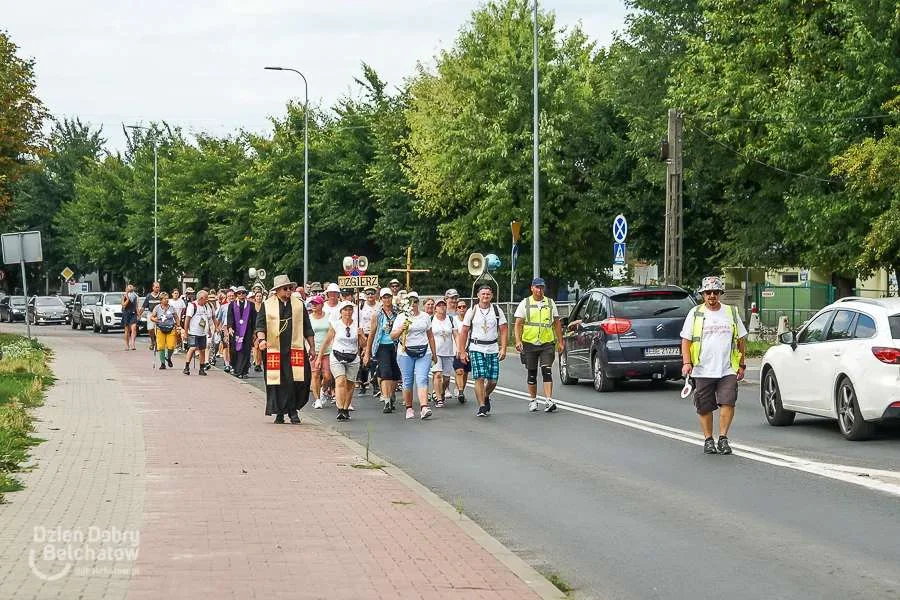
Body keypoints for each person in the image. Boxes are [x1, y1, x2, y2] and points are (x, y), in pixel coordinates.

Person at [680, 276, 747, 455]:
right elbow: (686, 341)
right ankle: (708, 439)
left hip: (727, 368)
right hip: (702, 368)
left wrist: (741, 364)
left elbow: (741, 340)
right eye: (708, 292)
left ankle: (723, 438)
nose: (712, 296)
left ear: (720, 294)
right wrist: (687, 362)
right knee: (704, 405)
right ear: (703, 294)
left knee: (728, 401)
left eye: (715, 292)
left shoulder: (731, 312)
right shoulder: (695, 313)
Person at [255, 275, 316, 424]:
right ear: (277, 290)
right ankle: (280, 412)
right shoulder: (267, 305)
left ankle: (293, 408)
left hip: (295, 348)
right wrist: (262, 339)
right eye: (285, 288)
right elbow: (260, 325)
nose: (289, 291)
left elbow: (307, 327)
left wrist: (312, 347)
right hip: (274, 350)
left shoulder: (298, 305)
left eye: (290, 288)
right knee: (277, 382)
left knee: (299, 379)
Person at [514, 277, 563, 413]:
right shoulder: (525, 303)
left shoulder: (550, 303)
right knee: (532, 372)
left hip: (547, 342)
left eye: (542, 287)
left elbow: (557, 323)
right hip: (529, 342)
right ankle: (533, 400)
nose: (540, 290)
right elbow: (518, 324)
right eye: (537, 287)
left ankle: (548, 400)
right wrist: (518, 341)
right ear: (532, 288)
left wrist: (560, 341)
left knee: (546, 370)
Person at [458, 285, 508, 417]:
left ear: (491, 296)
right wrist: (462, 351)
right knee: (479, 377)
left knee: (493, 380)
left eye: (488, 294)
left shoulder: (497, 311)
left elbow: (503, 329)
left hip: (492, 347)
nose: (485, 296)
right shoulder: (472, 311)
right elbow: (464, 332)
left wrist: (503, 348)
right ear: (478, 296)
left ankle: (485, 395)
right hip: (476, 347)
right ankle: (481, 406)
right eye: (483, 294)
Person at [390, 292, 437, 420]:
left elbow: (430, 336)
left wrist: (434, 353)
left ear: (418, 302)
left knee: (422, 378)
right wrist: (401, 329)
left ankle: (424, 407)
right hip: (405, 352)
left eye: (415, 301)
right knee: (408, 380)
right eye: (410, 301)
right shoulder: (401, 317)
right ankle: (409, 407)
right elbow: (392, 336)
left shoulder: (425, 317)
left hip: (423, 351)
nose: (413, 304)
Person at [318, 301, 362, 421]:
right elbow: (327, 341)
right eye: (345, 310)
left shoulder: (357, 325)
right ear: (341, 312)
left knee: (350, 384)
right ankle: (340, 408)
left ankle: (346, 408)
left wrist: (361, 335)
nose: (348, 312)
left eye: (350, 310)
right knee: (340, 380)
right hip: (337, 355)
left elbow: (362, 344)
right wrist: (319, 357)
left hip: (352, 356)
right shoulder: (336, 324)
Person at [363, 288, 401, 414]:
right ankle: (386, 400)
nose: (387, 299)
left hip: (396, 345)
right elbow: (372, 334)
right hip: (382, 345)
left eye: (389, 297)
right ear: (381, 299)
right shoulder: (377, 314)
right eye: (384, 297)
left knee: (395, 373)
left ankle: (391, 395)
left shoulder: (398, 312)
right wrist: (367, 352)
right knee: (386, 372)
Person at [430, 298, 457, 407]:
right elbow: (427, 335)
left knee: (446, 378)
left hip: (448, 352)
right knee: (437, 374)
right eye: (439, 305)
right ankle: (439, 398)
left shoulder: (450, 319)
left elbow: (456, 334)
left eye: (443, 305)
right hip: (436, 352)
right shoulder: (431, 319)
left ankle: (440, 392)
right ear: (435, 308)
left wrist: (459, 348)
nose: (442, 307)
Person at [308, 295, 334, 409]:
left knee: (328, 376)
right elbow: (306, 334)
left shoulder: (328, 317)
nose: (313, 305)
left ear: (322, 305)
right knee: (315, 374)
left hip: (327, 350)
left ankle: (324, 391)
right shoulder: (309, 318)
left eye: (316, 303)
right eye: (312, 303)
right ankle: (317, 399)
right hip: (314, 350)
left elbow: (332, 332)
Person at [182, 290, 214, 375]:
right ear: (201, 298)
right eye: (206, 298)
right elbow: (187, 319)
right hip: (193, 332)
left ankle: (201, 368)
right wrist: (186, 332)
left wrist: (209, 330)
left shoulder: (206, 306)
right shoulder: (192, 305)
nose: (207, 300)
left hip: (203, 332)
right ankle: (186, 366)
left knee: (202, 350)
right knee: (192, 348)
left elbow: (207, 319)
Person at [227, 286, 256, 378]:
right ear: (236, 295)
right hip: (235, 331)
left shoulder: (251, 305)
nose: (241, 295)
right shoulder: (232, 304)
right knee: (235, 350)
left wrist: (255, 331)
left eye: (243, 293)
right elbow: (230, 316)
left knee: (245, 350)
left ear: (246, 294)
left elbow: (254, 318)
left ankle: (243, 371)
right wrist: (230, 327)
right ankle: (236, 369)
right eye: (239, 293)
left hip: (247, 331)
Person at [357, 286, 379, 395]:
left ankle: (375, 384)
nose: (370, 296)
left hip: (376, 334)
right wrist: (361, 335)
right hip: (364, 333)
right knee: (363, 359)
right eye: (368, 294)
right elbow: (358, 320)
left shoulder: (379, 306)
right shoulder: (361, 306)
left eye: (372, 293)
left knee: (375, 359)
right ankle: (363, 383)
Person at [150, 292, 177, 370]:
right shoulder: (157, 307)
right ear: (161, 300)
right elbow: (152, 316)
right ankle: (162, 363)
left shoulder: (171, 307)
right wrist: (154, 319)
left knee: (171, 346)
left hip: (170, 328)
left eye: (167, 298)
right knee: (161, 346)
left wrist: (178, 325)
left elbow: (176, 316)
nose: (167, 300)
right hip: (160, 328)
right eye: (165, 299)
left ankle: (167, 357)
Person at [452, 299, 470, 403]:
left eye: (464, 307)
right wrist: (459, 348)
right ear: (456, 309)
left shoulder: (469, 320)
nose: (462, 309)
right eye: (459, 307)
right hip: (456, 350)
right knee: (459, 371)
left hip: (468, 349)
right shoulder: (453, 320)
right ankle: (460, 392)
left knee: (466, 372)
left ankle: (461, 388)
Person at [141, 281, 162, 352]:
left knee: (160, 330)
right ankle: (153, 342)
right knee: (150, 329)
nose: (157, 288)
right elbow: (143, 306)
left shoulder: (161, 296)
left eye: (158, 287)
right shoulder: (149, 296)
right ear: (153, 288)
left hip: (160, 314)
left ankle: (158, 344)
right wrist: (139, 315)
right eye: (156, 287)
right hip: (151, 313)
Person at [121, 284, 139, 350]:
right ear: (126, 290)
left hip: (133, 313)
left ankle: (133, 343)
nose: (130, 291)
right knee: (127, 330)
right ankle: (126, 344)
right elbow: (124, 305)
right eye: (129, 290)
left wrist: (139, 314)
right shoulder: (124, 296)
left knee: (134, 328)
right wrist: (127, 298)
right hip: (126, 314)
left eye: (131, 290)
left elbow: (136, 306)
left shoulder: (135, 296)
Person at [252, 290, 264, 371]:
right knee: (255, 346)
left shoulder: (264, 306)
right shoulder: (252, 306)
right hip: (254, 328)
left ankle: (258, 363)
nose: (259, 297)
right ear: (255, 298)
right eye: (257, 296)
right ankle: (256, 363)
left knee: (259, 346)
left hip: (261, 328)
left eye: (260, 296)